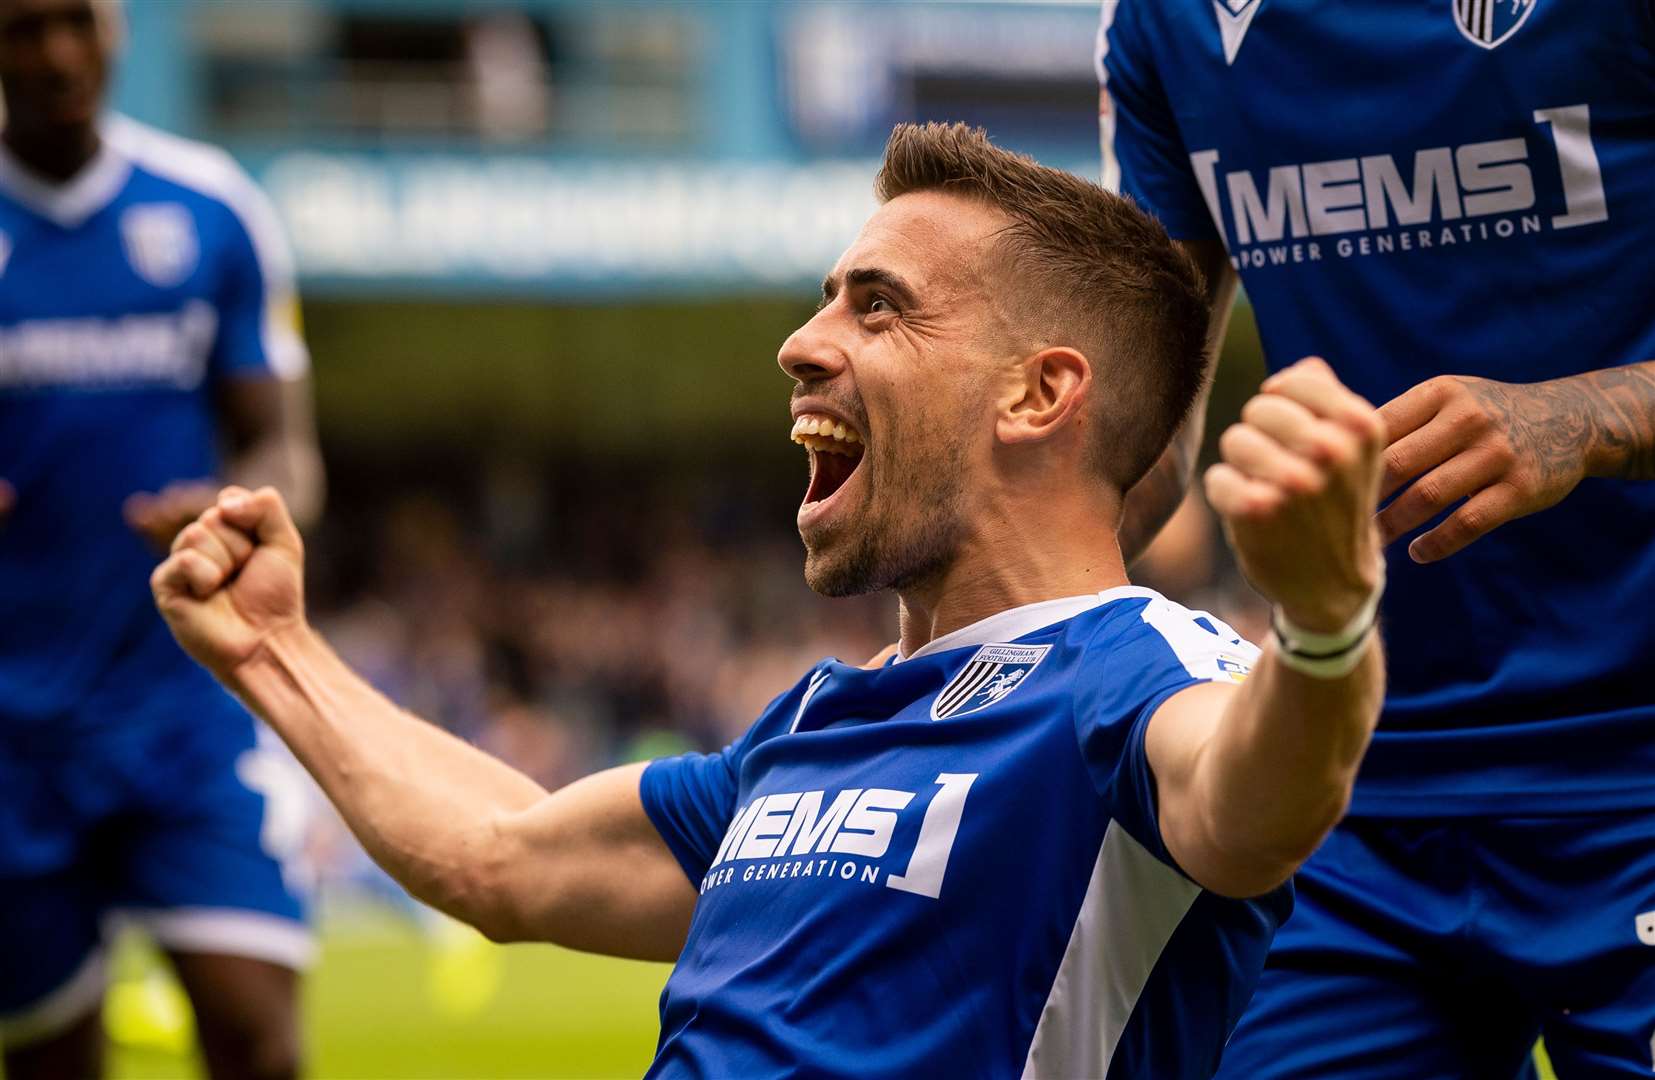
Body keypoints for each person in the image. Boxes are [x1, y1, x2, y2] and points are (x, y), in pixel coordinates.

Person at [153, 121, 1388, 1079]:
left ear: (1035, 396)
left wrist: (1325, 626)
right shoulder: (806, 726)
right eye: (825, 297)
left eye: (878, 305)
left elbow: (1252, 803)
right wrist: (273, 650)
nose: (802, 342)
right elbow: (501, 854)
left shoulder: (1135, 670)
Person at [1097, 2, 1655, 1074]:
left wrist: (1583, 417)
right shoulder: (1164, 24)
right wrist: (958, 607)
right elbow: (1139, 447)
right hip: (1350, 796)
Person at [0, 0, 323, 1076]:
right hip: (11, 732)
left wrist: (234, 513)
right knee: (54, 1058)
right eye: (20, 27)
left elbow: (284, 449)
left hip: (182, 701)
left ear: (118, 26)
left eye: (75, 21)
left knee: (255, 1036)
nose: (54, 54)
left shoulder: (212, 209)